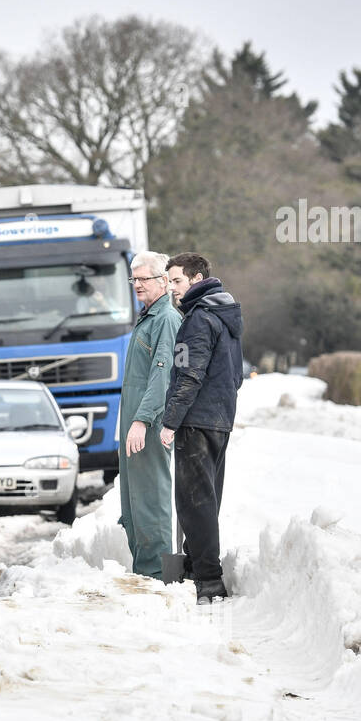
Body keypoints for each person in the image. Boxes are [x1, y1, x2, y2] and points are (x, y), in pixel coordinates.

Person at [159, 253, 244, 604]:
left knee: (194, 503)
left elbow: (187, 375)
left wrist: (170, 421)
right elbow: (235, 375)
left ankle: (209, 581)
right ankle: (194, 567)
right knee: (205, 500)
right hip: (220, 418)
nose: (172, 288)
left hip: (196, 419)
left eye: (177, 281)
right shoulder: (226, 315)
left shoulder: (197, 319)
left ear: (196, 279)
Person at [116, 251, 182, 579]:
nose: (137, 285)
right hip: (135, 423)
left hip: (149, 425)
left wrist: (141, 420)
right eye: (134, 279)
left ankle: (160, 577)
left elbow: (162, 376)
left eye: (144, 279)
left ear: (163, 281)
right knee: (133, 503)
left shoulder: (166, 320)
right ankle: (145, 573)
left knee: (151, 499)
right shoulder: (147, 317)